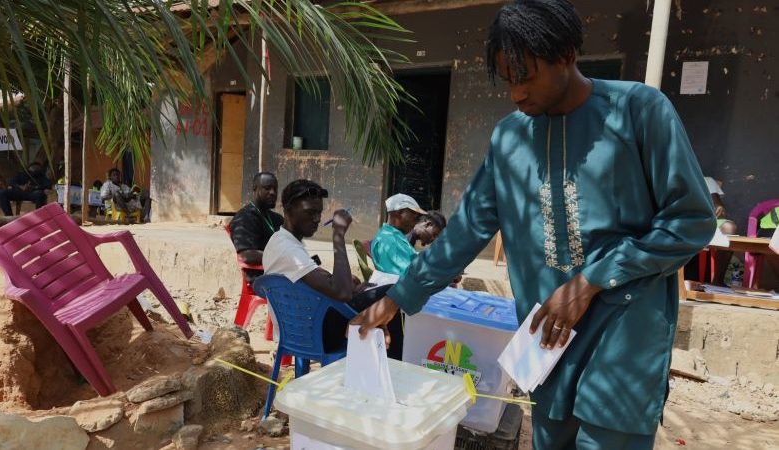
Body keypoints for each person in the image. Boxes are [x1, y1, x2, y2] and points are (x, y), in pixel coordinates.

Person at [350, 1, 716, 449]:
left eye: (526, 76)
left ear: (566, 54)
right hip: (546, 341)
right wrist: (399, 297)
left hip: (625, 336)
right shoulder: (510, 138)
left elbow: (691, 220)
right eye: (508, 80)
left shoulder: (638, 111)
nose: (516, 93)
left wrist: (590, 282)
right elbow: (466, 231)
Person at [262, 179, 404, 359]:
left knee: (374, 296)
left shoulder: (281, 241)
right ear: (287, 210)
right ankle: (394, 365)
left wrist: (341, 284)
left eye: (319, 213)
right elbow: (342, 293)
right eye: (309, 212)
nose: (316, 219)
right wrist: (338, 235)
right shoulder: (287, 249)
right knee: (393, 292)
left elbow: (309, 280)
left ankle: (383, 361)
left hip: (300, 327)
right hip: (313, 334)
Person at [229, 172, 284, 284]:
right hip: (262, 278)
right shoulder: (245, 218)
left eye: (275, 189)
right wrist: (283, 259)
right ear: (255, 189)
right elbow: (247, 256)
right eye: (267, 188)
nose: (273, 192)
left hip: (281, 272)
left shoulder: (276, 218)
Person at [370, 193, 426, 275]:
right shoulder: (390, 241)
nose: (416, 220)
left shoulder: (394, 236)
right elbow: (407, 275)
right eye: (414, 215)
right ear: (399, 213)